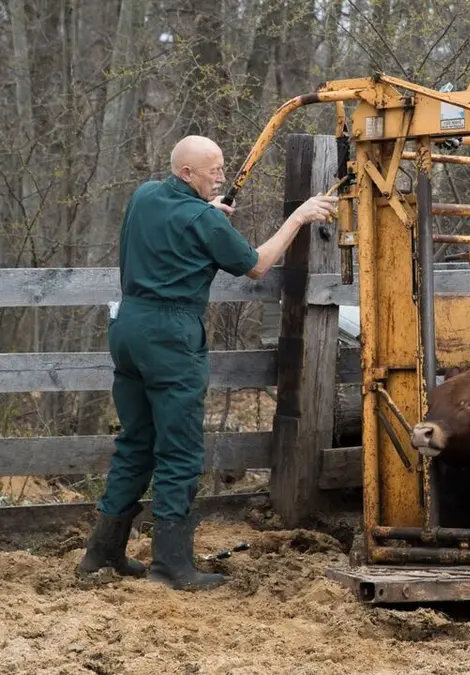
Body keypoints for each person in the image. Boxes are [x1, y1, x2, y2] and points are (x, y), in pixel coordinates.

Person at [76, 135, 338, 591]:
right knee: (180, 451)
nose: (222, 176)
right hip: (171, 334)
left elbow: (175, 220)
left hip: (129, 326)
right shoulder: (202, 219)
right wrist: (298, 216)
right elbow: (256, 264)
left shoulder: (146, 195)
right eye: (212, 170)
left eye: (221, 167)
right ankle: (172, 565)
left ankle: (102, 552)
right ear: (186, 173)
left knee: (137, 440)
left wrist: (206, 213)